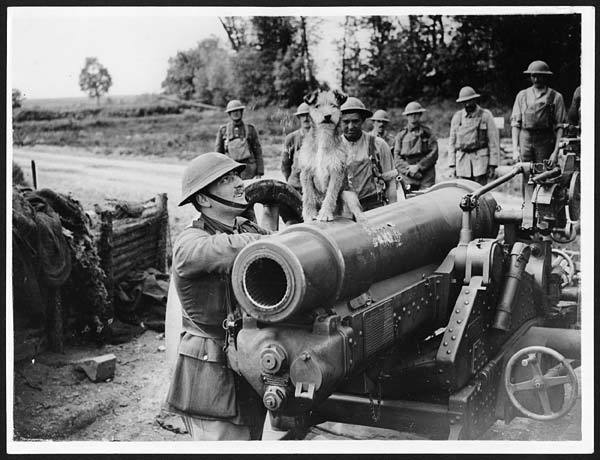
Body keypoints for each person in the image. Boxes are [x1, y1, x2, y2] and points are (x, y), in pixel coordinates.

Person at [164, 152, 270, 440]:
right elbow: (218, 249)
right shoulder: (190, 240)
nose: (239, 183)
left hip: (247, 359)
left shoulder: (244, 228)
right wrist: (269, 240)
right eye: (226, 180)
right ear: (203, 199)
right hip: (209, 371)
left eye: (236, 176)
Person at [339, 97, 398, 211]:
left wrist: (393, 210)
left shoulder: (378, 144)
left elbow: (390, 182)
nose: (350, 126)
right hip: (345, 208)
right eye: (345, 122)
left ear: (363, 120)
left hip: (373, 206)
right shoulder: (334, 148)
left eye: (355, 121)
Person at [510, 60, 567, 166]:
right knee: (525, 170)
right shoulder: (522, 95)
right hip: (525, 140)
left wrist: (555, 152)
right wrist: (515, 150)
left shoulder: (556, 97)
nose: (536, 79)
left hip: (545, 141)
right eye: (533, 76)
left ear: (546, 77)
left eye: (540, 76)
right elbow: (515, 124)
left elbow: (560, 127)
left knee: (543, 172)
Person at [448, 86, 500, 185]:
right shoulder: (457, 117)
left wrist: (493, 165)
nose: (467, 104)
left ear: (475, 100)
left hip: (480, 163)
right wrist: (452, 165)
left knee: (480, 191)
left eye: (470, 101)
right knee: (463, 191)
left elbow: (493, 141)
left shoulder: (485, 116)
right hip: (462, 163)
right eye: (464, 102)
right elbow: (452, 142)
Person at [394, 101, 439, 192]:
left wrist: (419, 166)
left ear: (420, 115)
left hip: (426, 173)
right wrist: (408, 169)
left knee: (427, 196)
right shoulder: (401, 135)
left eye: (416, 114)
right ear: (407, 116)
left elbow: (434, 152)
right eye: (410, 114)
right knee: (409, 198)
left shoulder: (427, 132)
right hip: (407, 175)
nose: (413, 116)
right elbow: (397, 157)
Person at [216, 100, 264, 180]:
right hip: (230, 169)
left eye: (237, 111)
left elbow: (258, 151)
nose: (235, 113)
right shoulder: (223, 130)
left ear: (241, 112)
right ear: (229, 114)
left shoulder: (250, 129)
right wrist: (218, 173)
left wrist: (259, 172)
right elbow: (218, 154)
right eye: (233, 111)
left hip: (248, 170)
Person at [281, 102, 311, 193]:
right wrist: (291, 180)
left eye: (308, 115)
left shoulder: (320, 137)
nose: (306, 118)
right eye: (303, 116)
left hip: (314, 187)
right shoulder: (291, 138)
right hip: (296, 185)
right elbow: (285, 163)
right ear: (299, 118)